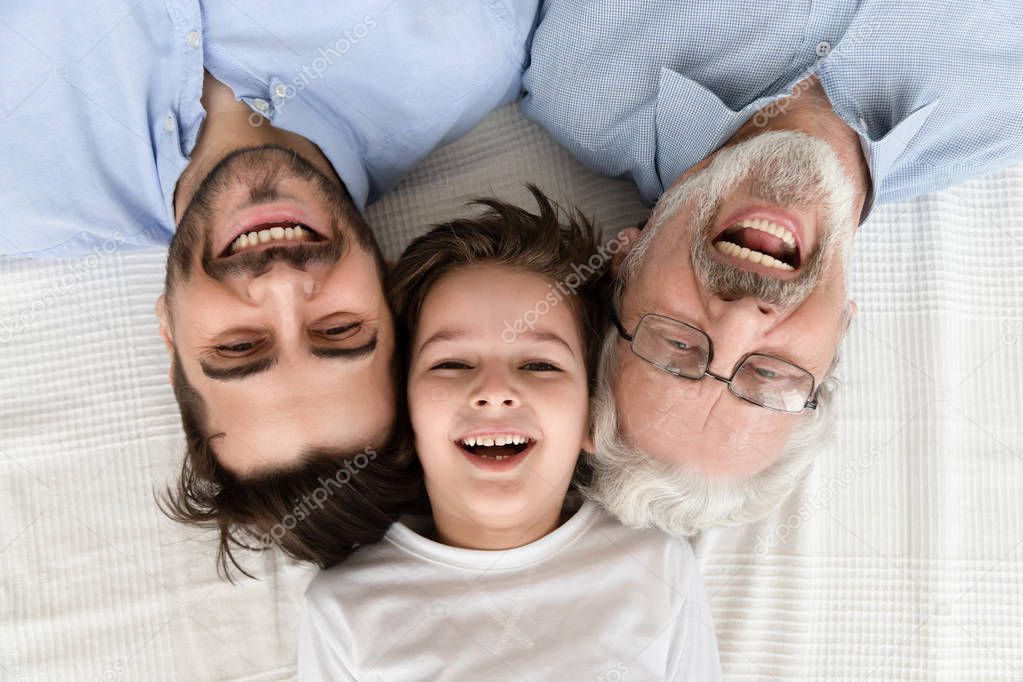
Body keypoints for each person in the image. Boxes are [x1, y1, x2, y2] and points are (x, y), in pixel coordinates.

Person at [0, 1, 538, 575]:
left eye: (239, 346)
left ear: (169, 334)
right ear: (386, 279)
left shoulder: (19, 194)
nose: (281, 282)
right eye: (338, 329)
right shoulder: (473, 37)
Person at [521, 0, 1023, 534]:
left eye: (677, 346)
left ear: (622, 261)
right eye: (767, 373)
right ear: (839, 333)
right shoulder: (1004, 112)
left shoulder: (588, 75)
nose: (741, 318)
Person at [298, 189, 722, 681]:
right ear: (404, 416)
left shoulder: (655, 568)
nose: (495, 392)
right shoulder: (346, 611)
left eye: (539, 364)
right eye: (451, 364)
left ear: (592, 417)